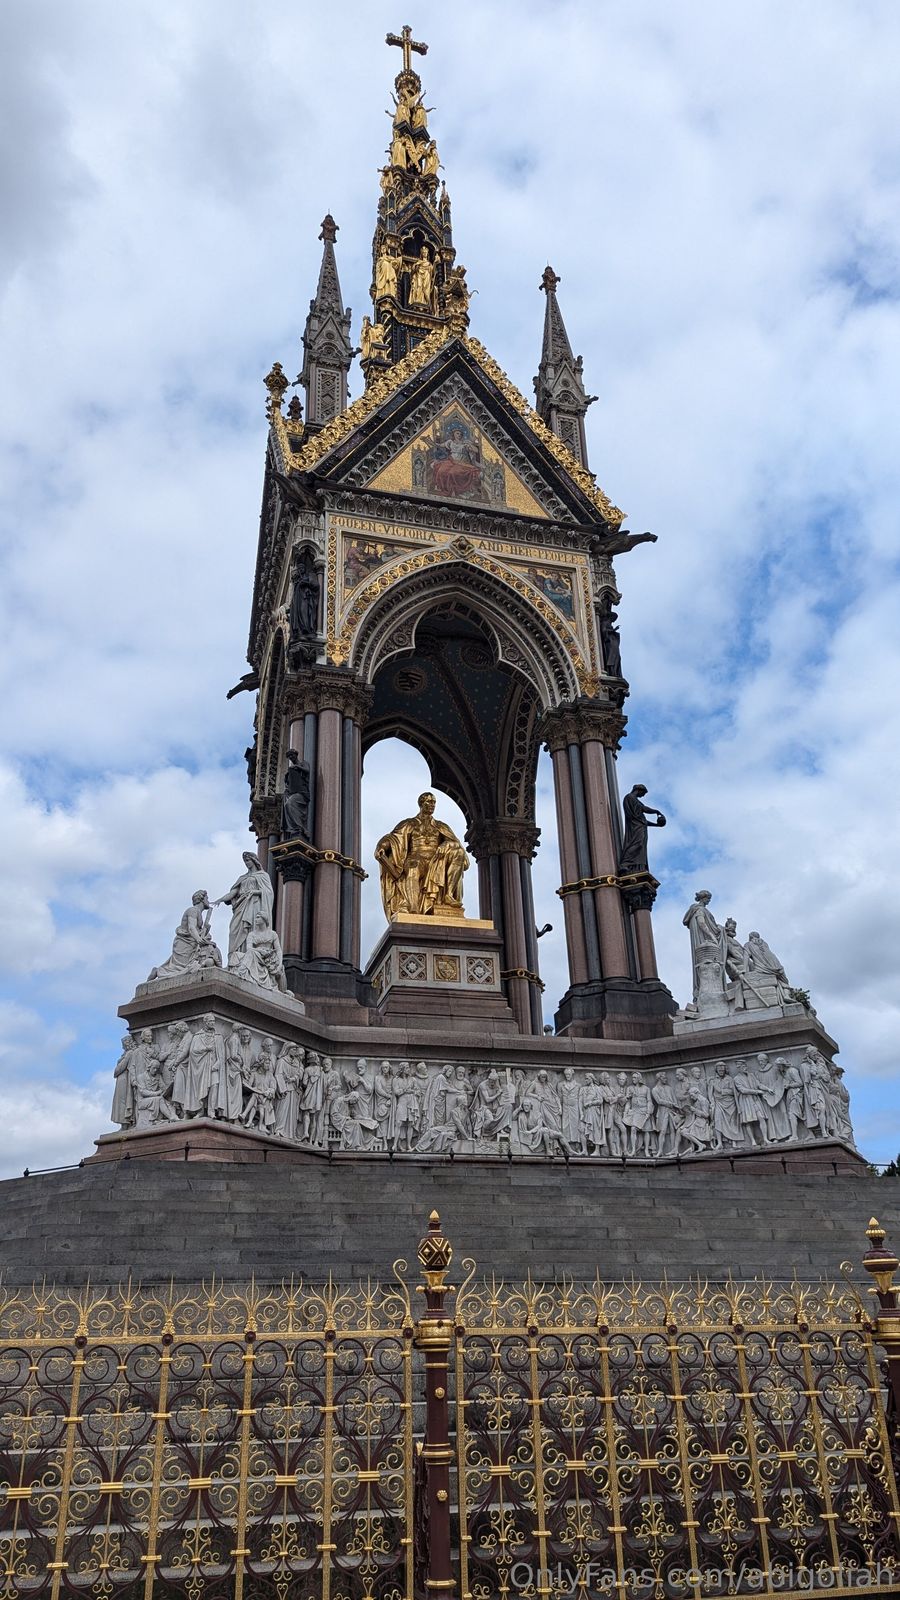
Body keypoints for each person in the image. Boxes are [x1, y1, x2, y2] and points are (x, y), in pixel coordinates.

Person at [375, 792, 469, 919]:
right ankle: (413, 908)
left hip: (436, 861)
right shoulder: (409, 823)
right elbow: (393, 839)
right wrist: (381, 846)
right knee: (413, 867)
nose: (432, 805)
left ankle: (449, 895)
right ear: (421, 803)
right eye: (429, 802)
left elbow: (455, 843)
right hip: (416, 858)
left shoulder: (441, 826)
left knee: (458, 852)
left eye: (434, 802)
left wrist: (445, 845)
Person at [148, 890, 221, 982]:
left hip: (193, 943)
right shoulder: (193, 910)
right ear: (202, 899)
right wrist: (198, 939)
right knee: (179, 967)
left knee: (185, 966)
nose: (208, 901)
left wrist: (205, 930)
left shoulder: (199, 913)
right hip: (184, 943)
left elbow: (198, 931)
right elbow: (191, 927)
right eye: (207, 898)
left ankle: (161, 971)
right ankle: (159, 971)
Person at [216, 853, 275, 968]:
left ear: (254, 860)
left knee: (251, 929)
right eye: (245, 861)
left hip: (254, 905)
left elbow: (269, 892)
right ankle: (234, 960)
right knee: (234, 931)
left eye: (248, 860)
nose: (246, 863)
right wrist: (221, 899)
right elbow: (233, 893)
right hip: (241, 905)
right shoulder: (242, 877)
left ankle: (250, 960)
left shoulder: (263, 875)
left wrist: (255, 892)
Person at [619, 785, 666, 875]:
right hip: (635, 827)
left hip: (640, 826)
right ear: (638, 790)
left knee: (641, 847)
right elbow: (644, 809)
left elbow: (643, 821)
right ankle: (625, 863)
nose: (643, 796)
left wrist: (656, 825)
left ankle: (634, 866)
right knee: (637, 844)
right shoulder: (630, 797)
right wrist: (656, 811)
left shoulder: (635, 801)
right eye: (643, 793)